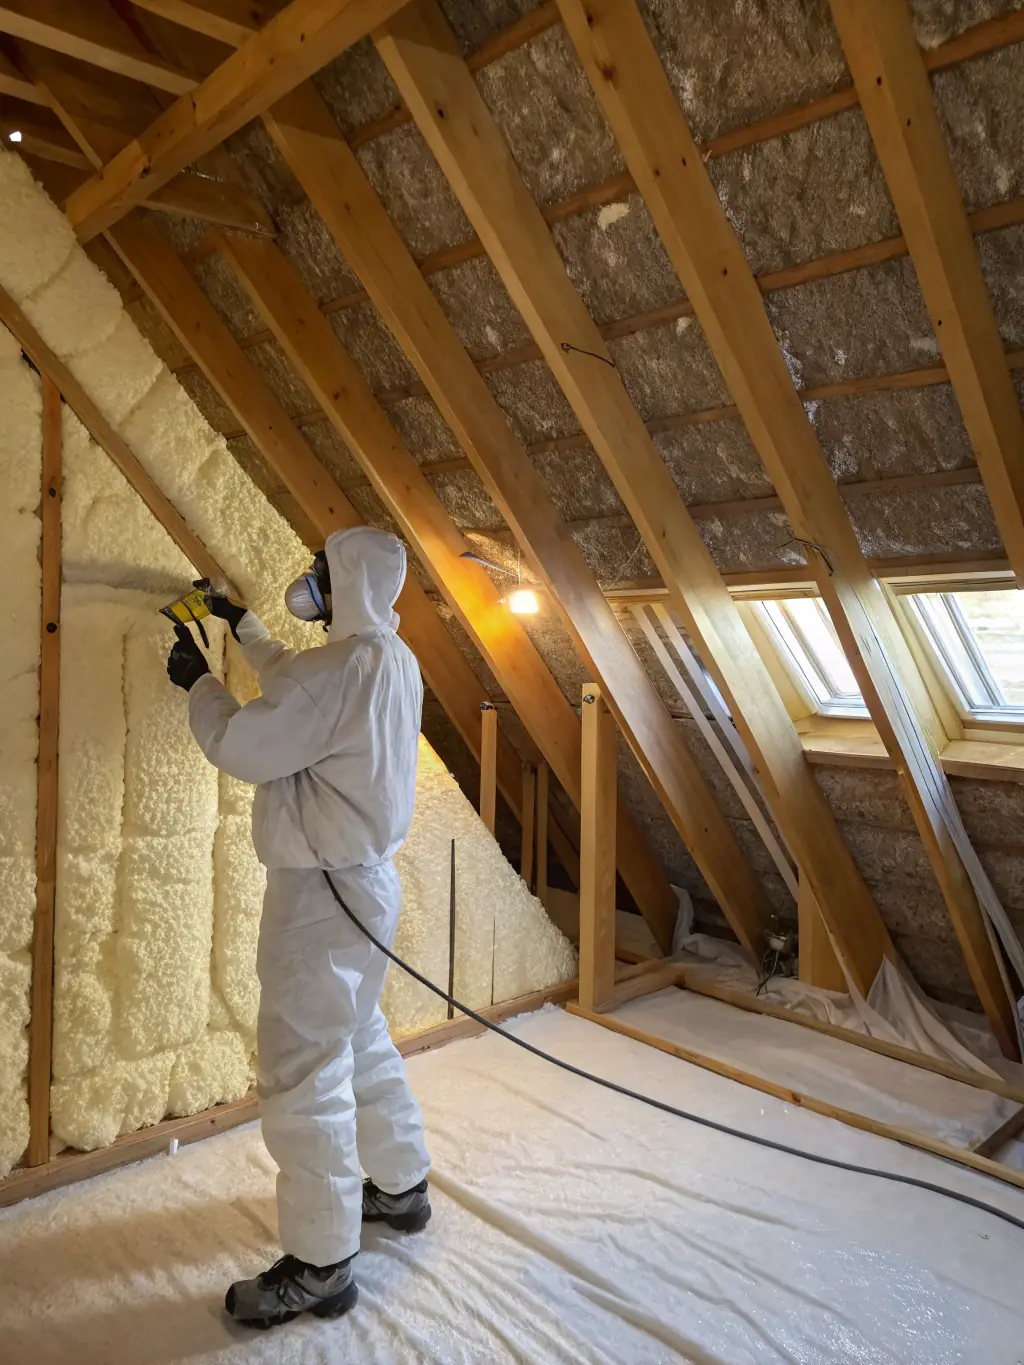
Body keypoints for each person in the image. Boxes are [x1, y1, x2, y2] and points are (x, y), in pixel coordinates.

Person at [166, 526, 432, 1330]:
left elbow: (247, 740)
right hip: (366, 887)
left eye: (321, 571)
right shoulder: (390, 658)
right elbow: (302, 692)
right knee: (356, 1037)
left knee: (304, 1066)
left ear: (345, 582)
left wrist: (199, 684)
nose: (310, 579)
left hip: (319, 896)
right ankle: (399, 1184)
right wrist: (244, 628)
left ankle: (321, 1262)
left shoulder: (336, 670)